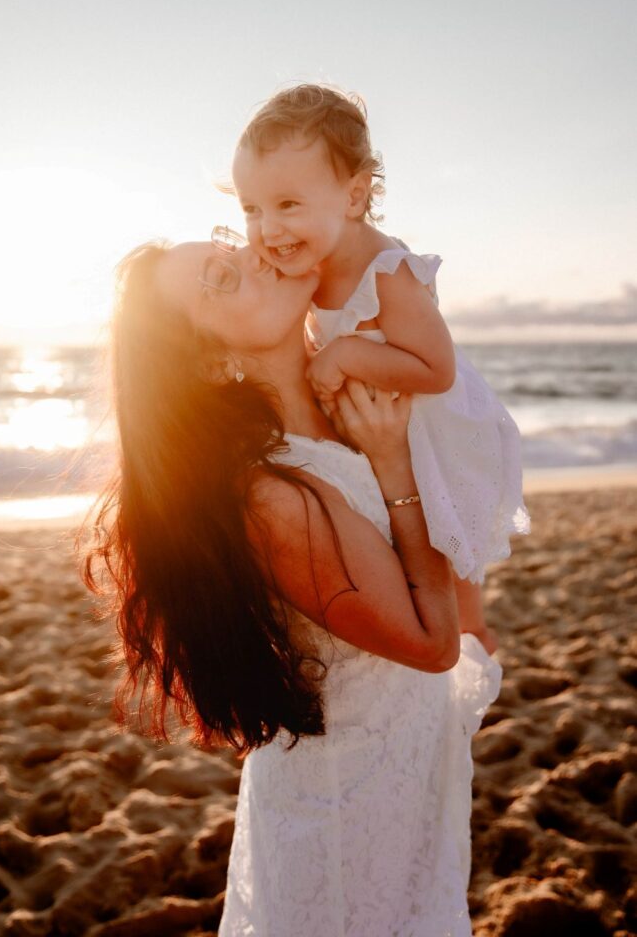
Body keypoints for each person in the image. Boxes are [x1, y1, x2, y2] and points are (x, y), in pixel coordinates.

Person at [82, 231, 501, 936]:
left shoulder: (353, 408)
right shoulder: (272, 496)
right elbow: (432, 646)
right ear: (213, 360)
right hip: (347, 815)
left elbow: (459, 590)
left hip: (408, 776)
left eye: (225, 244)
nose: (249, 252)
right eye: (221, 276)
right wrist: (395, 462)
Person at [232, 83, 531, 654]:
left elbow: (435, 368)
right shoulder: (313, 262)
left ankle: (473, 631)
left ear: (352, 197)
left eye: (288, 204)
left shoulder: (386, 269)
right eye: (251, 208)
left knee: (452, 536)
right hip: (390, 423)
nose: (268, 229)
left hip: (438, 427)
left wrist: (344, 356)